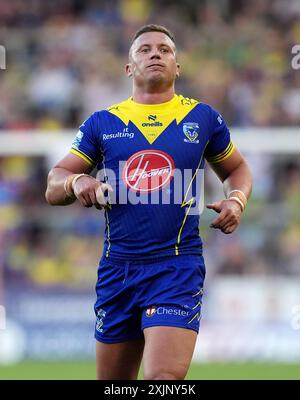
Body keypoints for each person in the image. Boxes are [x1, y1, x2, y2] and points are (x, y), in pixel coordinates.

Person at [45, 24, 252, 380]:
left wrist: (236, 199)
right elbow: (54, 184)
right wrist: (77, 180)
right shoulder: (103, 123)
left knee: (164, 380)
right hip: (117, 270)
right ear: (128, 68)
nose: (155, 54)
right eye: (144, 50)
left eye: (165, 49)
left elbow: (237, 169)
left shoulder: (202, 119)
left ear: (177, 66)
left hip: (176, 268)